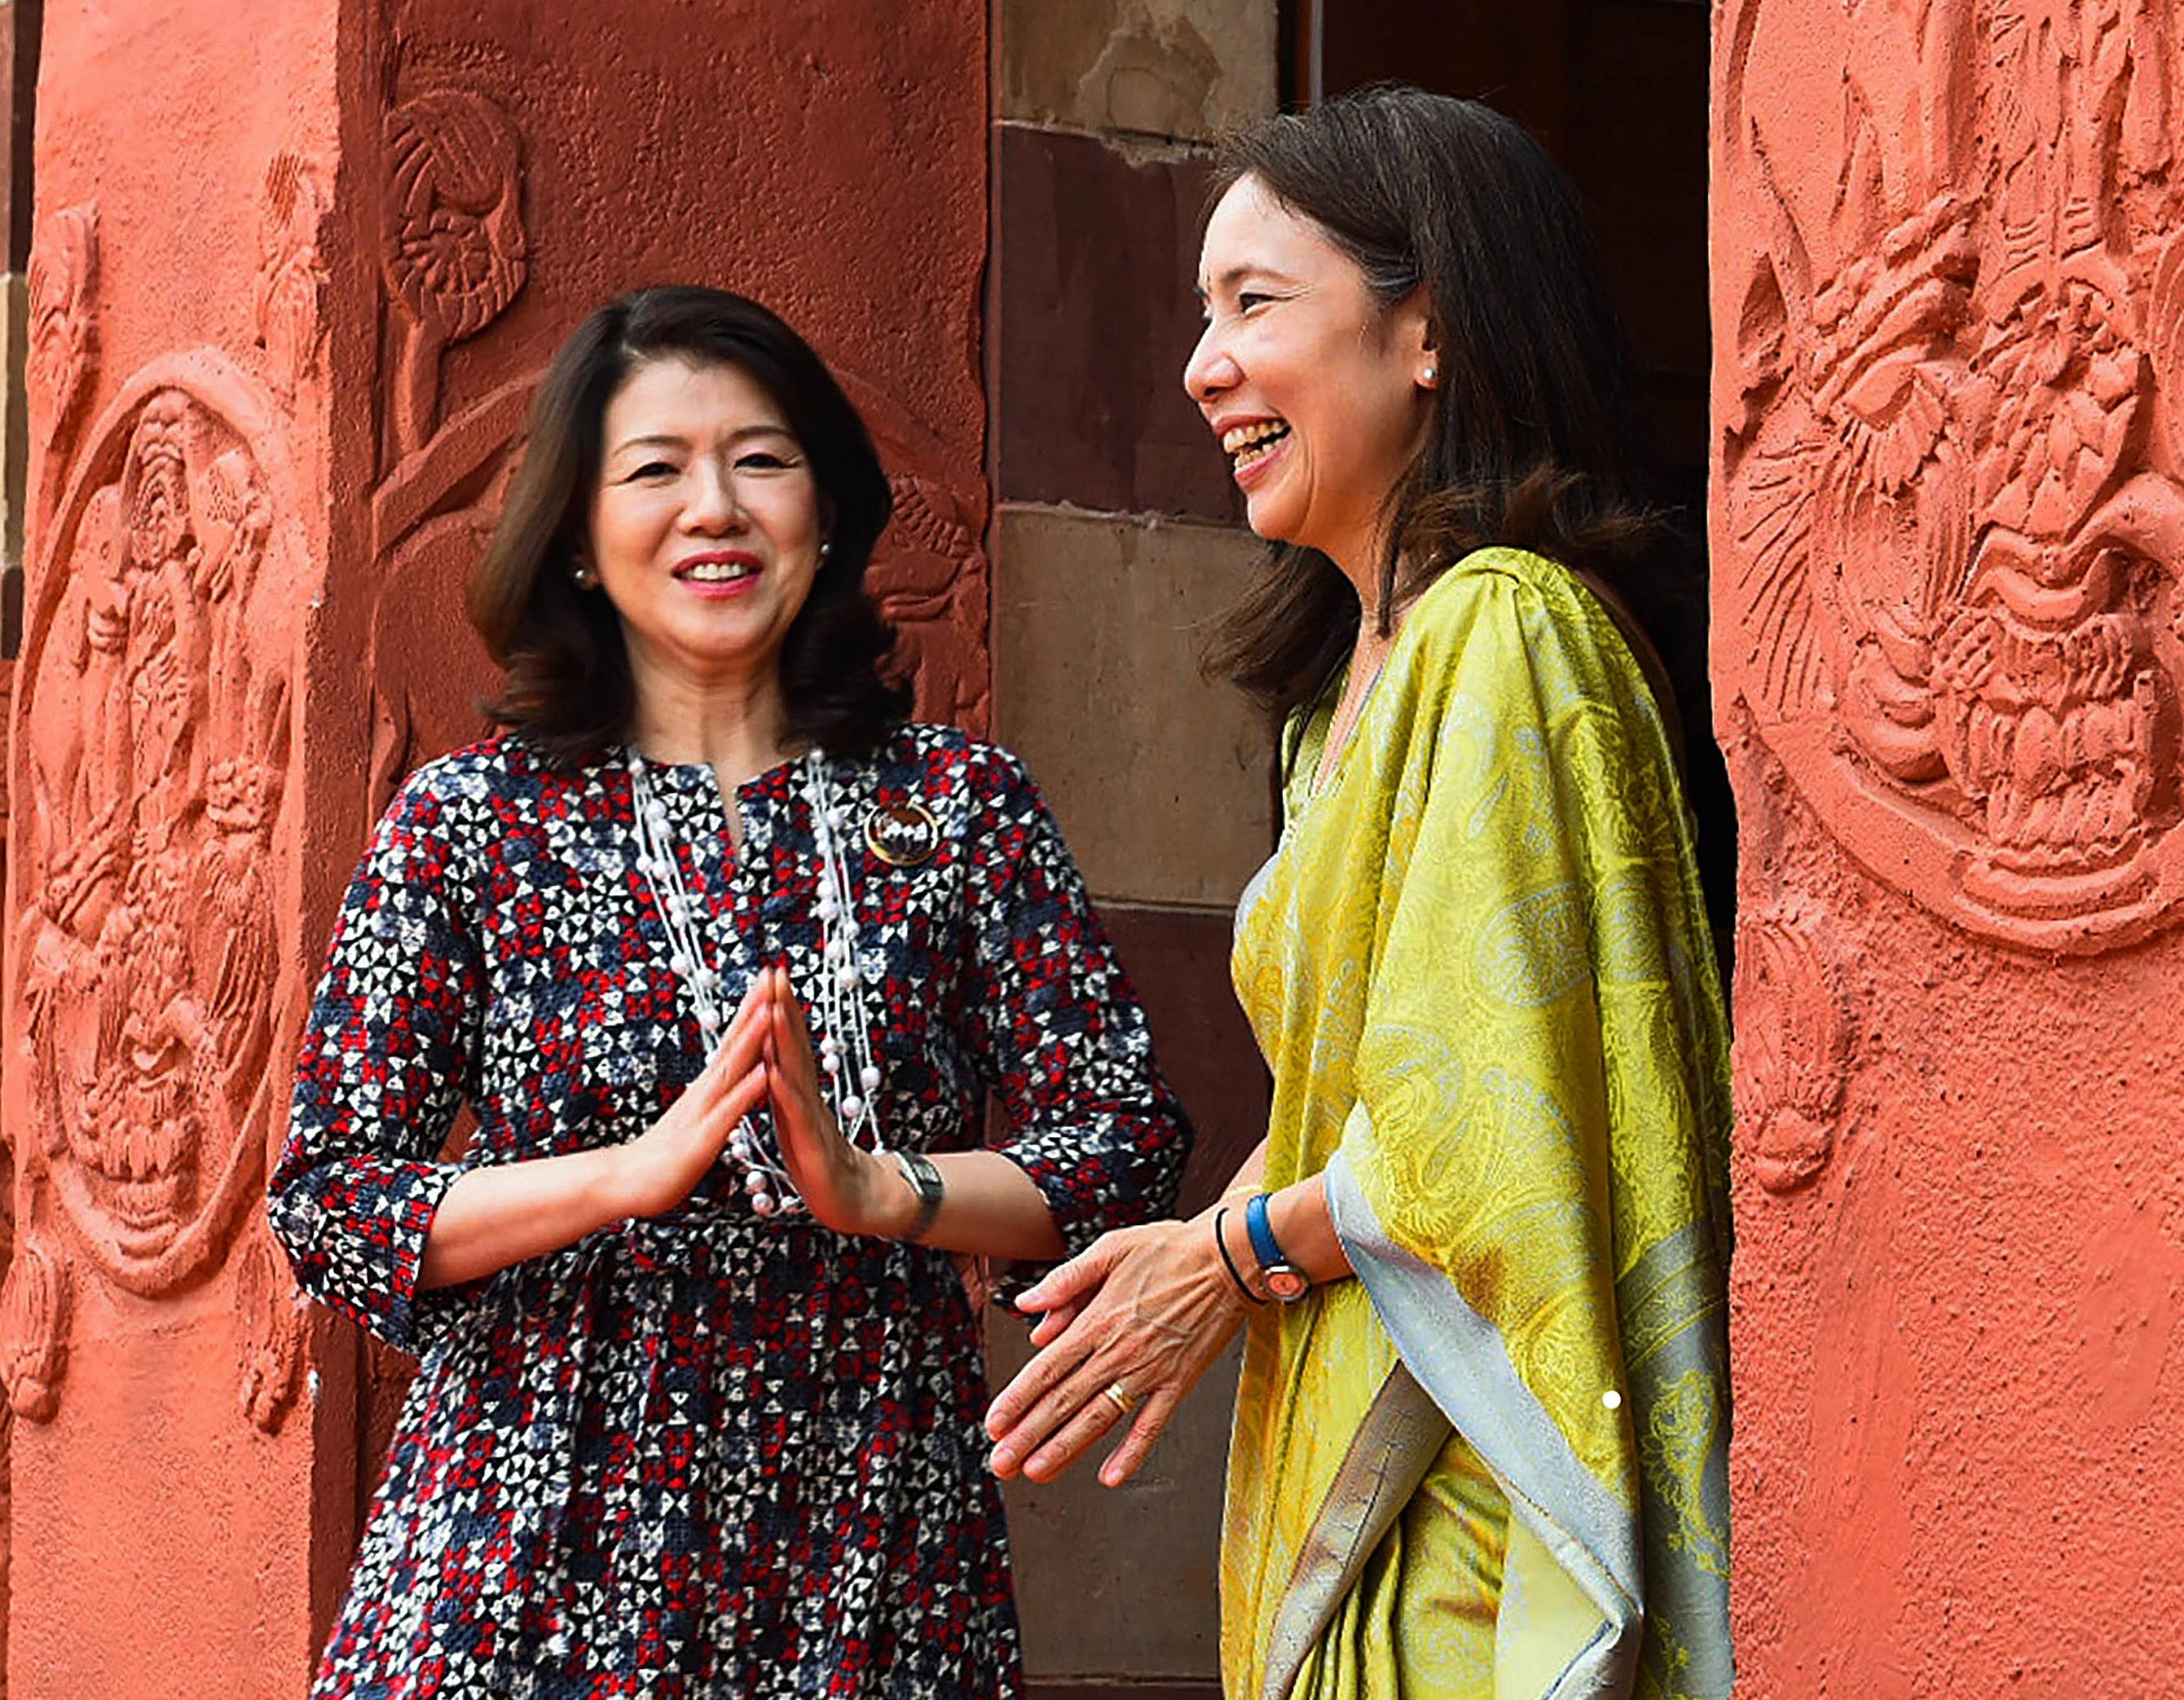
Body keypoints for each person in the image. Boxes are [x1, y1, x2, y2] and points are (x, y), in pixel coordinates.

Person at [271, 283, 1189, 1698]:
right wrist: (626, 1174)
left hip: (871, 1545)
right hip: (530, 1544)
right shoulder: (469, 821)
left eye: (760, 458)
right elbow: (333, 1198)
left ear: (824, 511)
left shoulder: (959, 807)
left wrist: (892, 1193)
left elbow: (1122, 1142)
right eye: (655, 468)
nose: (715, 505)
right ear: (578, 535)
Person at [983, 89, 1735, 1700]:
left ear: (1430, 334)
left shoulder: (1506, 631)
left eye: (1256, 302)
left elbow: (1491, 1127)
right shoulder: (1340, 709)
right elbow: (1361, 1096)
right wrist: (1205, 1243)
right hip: (1353, 1414)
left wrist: (1238, 1253)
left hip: (1468, 1492)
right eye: (1203, 312)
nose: (1204, 364)